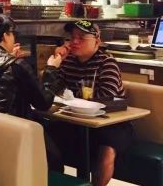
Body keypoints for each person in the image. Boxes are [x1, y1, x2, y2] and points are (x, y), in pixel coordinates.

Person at [0, 13, 65, 170]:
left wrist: (8, 57)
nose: (14, 38)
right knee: (55, 160)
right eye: (12, 34)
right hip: (13, 134)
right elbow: (44, 103)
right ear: (5, 36)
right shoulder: (16, 65)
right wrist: (52, 69)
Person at [50, 20, 132, 186]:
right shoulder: (68, 62)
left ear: (97, 41)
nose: (74, 41)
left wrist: (73, 100)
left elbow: (106, 98)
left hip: (111, 121)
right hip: (78, 119)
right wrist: (55, 65)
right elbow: (53, 91)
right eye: (72, 37)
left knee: (107, 147)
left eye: (81, 37)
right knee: (46, 135)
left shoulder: (107, 63)